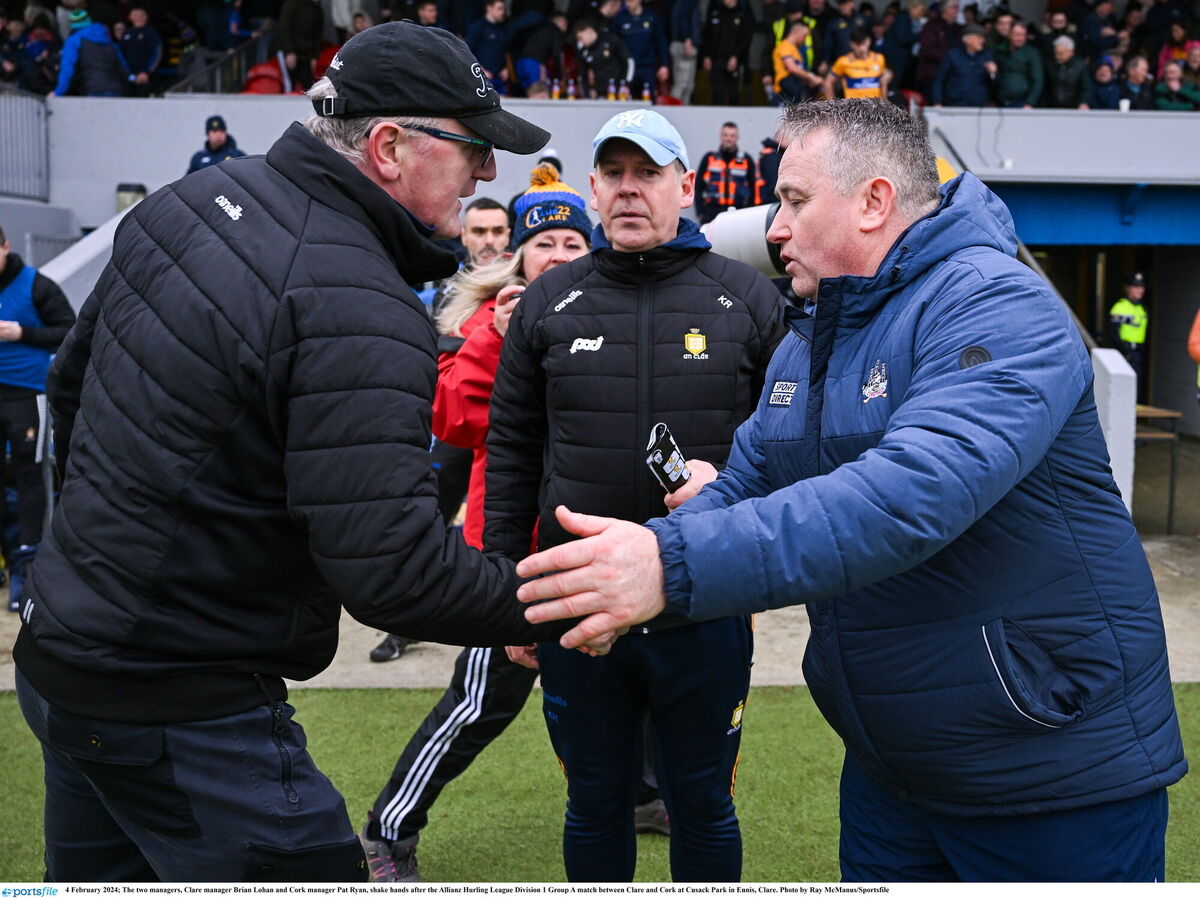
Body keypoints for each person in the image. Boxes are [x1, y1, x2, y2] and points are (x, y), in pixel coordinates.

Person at [512, 98, 1187, 884]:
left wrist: (669, 564)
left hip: (1047, 774)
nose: (774, 228)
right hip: (887, 769)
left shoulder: (998, 303)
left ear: (873, 201)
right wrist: (657, 548)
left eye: (793, 200)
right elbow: (752, 476)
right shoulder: (813, 336)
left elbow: (909, 495)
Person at [12, 22, 588, 883]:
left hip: (62, 657)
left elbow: (71, 392)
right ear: (390, 146)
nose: (489, 175)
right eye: (474, 148)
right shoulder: (360, 298)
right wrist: (563, 601)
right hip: (187, 704)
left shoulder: (183, 201)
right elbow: (395, 573)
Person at [485, 109, 786, 882]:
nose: (629, 190)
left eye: (648, 173)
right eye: (614, 174)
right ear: (591, 188)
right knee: (594, 802)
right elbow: (513, 452)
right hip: (577, 603)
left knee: (702, 804)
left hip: (705, 601)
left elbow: (787, 448)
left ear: (684, 185)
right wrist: (500, 593)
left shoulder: (749, 300)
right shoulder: (549, 304)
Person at [358, 164, 593, 882]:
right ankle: (387, 831)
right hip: (512, 554)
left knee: (623, 685)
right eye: (545, 243)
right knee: (480, 703)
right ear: (520, 257)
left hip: (596, 543)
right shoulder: (490, 324)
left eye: (572, 243)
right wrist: (498, 339)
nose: (558, 255)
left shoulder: (614, 317)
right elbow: (453, 421)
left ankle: (644, 794)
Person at [368, 196, 514, 665]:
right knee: (428, 519)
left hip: (506, 431)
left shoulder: (531, 281)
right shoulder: (450, 288)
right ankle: (403, 626)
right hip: (459, 426)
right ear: (464, 236)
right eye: (480, 232)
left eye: (497, 231)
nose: (489, 240)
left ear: (509, 235)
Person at [0, 225, 76, 614]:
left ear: (6, 248)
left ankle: (27, 567)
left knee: (30, 476)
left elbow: (71, 330)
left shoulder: (36, 285)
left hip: (27, 393)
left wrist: (21, 333)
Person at [51, 8, 128, 96]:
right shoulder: (107, 39)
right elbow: (123, 66)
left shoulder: (73, 40)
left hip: (92, 89)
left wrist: (58, 91)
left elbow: (67, 67)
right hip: (116, 90)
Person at [695, 122, 757, 224]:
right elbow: (698, 187)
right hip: (712, 213)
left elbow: (754, 189)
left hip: (738, 212)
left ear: (737, 137)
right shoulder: (709, 158)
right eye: (726, 135)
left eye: (732, 136)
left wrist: (749, 212)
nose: (729, 138)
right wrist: (700, 213)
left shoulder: (746, 160)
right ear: (721, 136)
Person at [702, 0, 755, 106]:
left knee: (734, 94)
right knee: (716, 93)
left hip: (735, 61)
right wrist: (706, 55)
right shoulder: (715, 13)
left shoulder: (743, 14)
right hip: (716, 60)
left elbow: (746, 39)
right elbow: (706, 36)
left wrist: (736, 56)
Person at [613, 0, 669, 98]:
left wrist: (664, 64)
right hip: (627, 68)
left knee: (649, 101)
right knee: (625, 102)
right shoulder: (619, 19)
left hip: (648, 67)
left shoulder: (652, 17)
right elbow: (614, 46)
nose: (629, 2)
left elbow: (661, 43)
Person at [930, 22, 994, 106]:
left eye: (983, 37)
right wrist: (937, 101)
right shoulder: (952, 55)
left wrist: (993, 73)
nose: (983, 40)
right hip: (956, 104)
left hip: (979, 105)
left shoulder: (987, 56)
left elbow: (996, 83)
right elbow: (939, 80)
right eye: (979, 37)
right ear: (967, 40)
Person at [1110, 271, 1149, 399]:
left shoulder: (1142, 309)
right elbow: (1113, 333)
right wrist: (1125, 352)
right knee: (1123, 390)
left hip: (1138, 353)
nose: (1140, 290)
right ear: (1128, 288)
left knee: (1135, 390)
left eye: (1141, 287)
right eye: (1136, 287)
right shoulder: (1120, 307)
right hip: (1125, 353)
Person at [574, 17, 633, 99]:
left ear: (589, 31)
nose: (580, 42)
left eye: (581, 37)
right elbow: (582, 74)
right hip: (600, 95)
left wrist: (626, 84)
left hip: (620, 92)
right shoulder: (584, 51)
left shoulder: (611, 40)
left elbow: (629, 61)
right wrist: (588, 93)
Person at [826, 26, 891, 99]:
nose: (861, 48)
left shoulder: (879, 58)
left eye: (863, 43)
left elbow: (884, 80)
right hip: (854, 107)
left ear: (869, 40)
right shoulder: (843, 61)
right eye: (857, 44)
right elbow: (829, 81)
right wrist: (832, 104)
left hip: (875, 106)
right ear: (851, 44)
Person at [773, 18, 825, 102]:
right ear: (796, 32)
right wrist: (812, 77)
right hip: (784, 93)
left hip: (795, 91)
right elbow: (792, 68)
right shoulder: (785, 46)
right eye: (804, 35)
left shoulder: (795, 49)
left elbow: (799, 70)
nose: (805, 39)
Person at [995, 21, 1044, 107]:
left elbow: (1038, 80)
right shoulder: (1000, 52)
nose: (1021, 38)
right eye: (1017, 35)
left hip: (1022, 102)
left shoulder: (1031, 53)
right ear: (1009, 35)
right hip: (1001, 102)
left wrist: (1030, 102)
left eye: (1024, 35)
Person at [277, 0, 323, 90]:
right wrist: (289, 51)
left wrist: (314, 56)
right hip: (287, 52)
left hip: (305, 54)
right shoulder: (292, 4)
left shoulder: (318, 11)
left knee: (308, 86)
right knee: (289, 84)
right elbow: (284, 29)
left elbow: (317, 36)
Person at [119, 6, 161, 96]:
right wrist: (127, 73)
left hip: (145, 76)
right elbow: (120, 54)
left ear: (146, 17)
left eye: (140, 15)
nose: (138, 17)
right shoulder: (127, 33)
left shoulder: (151, 33)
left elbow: (157, 52)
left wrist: (147, 72)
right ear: (130, 17)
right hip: (129, 75)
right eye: (135, 15)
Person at [1044, 35, 1092, 108]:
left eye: (1060, 53)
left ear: (1071, 52)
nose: (1057, 56)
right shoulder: (1050, 65)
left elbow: (1087, 87)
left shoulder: (1080, 66)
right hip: (1053, 108)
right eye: (1055, 53)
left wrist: (1084, 102)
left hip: (1074, 108)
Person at [669, 0, 702, 103]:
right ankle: (674, 111)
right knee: (681, 84)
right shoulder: (687, 2)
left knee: (688, 86)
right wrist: (687, 38)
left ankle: (684, 111)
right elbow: (682, 19)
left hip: (687, 44)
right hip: (684, 45)